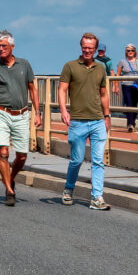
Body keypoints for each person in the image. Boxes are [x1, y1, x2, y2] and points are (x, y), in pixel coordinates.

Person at [0, 30, 36, 206]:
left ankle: (10, 178)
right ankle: (9, 191)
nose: (1, 49)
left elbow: (33, 88)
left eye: (4, 46)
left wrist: (38, 112)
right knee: (3, 152)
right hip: (1, 112)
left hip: (22, 114)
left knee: (22, 156)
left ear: (12, 46)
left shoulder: (24, 65)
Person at [57, 33, 112, 210]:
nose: (87, 50)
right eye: (84, 47)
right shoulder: (70, 66)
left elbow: (103, 94)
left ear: (96, 50)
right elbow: (62, 89)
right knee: (77, 160)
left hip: (97, 121)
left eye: (90, 48)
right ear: (81, 47)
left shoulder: (101, 68)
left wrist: (107, 115)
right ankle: (68, 189)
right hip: (78, 121)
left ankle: (97, 198)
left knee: (98, 161)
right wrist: (64, 110)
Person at [114, 44, 138, 131]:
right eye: (128, 51)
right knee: (128, 104)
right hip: (126, 85)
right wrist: (116, 86)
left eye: (132, 50)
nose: (130, 52)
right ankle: (130, 124)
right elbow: (117, 75)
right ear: (126, 52)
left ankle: (133, 122)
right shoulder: (122, 62)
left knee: (134, 105)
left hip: (137, 85)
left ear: (135, 51)